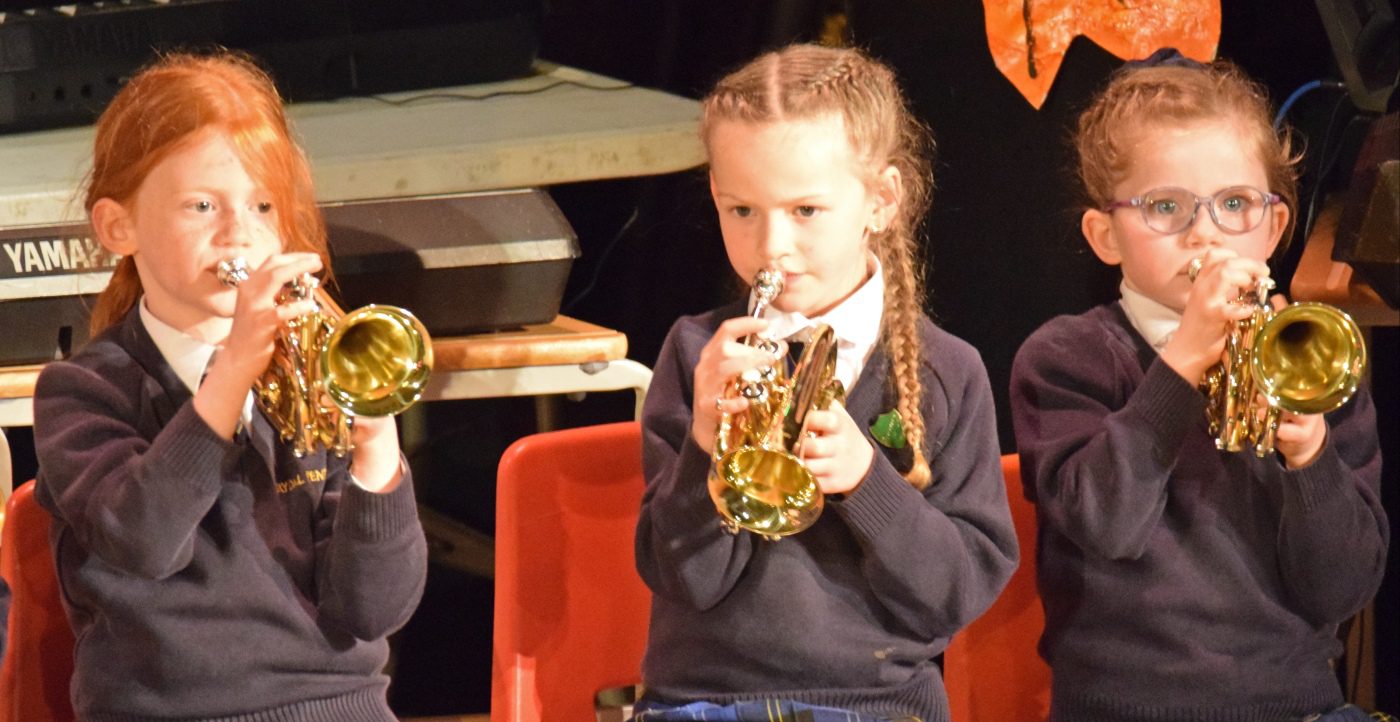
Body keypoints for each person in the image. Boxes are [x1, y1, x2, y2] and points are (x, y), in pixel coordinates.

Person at [31, 50, 427, 722]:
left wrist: (376, 444)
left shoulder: (314, 380)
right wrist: (232, 370)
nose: (238, 234)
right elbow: (144, 540)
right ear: (118, 227)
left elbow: (375, 609)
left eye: (263, 205)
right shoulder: (83, 391)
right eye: (202, 205)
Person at [633, 43, 1017, 722]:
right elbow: (684, 578)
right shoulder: (697, 353)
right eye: (742, 210)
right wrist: (704, 446)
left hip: (878, 707)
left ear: (881, 201)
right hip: (701, 701)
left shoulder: (947, 371)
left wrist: (867, 481)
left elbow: (955, 596)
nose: (772, 246)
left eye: (805, 210)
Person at [1009, 50, 1388, 722]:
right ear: (1105, 236)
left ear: (1274, 227)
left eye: (1235, 204)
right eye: (1166, 207)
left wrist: (1311, 456)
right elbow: (1106, 525)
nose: (1205, 234)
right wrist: (1182, 362)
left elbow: (1344, 589)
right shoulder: (1065, 359)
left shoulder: (1314, 361)